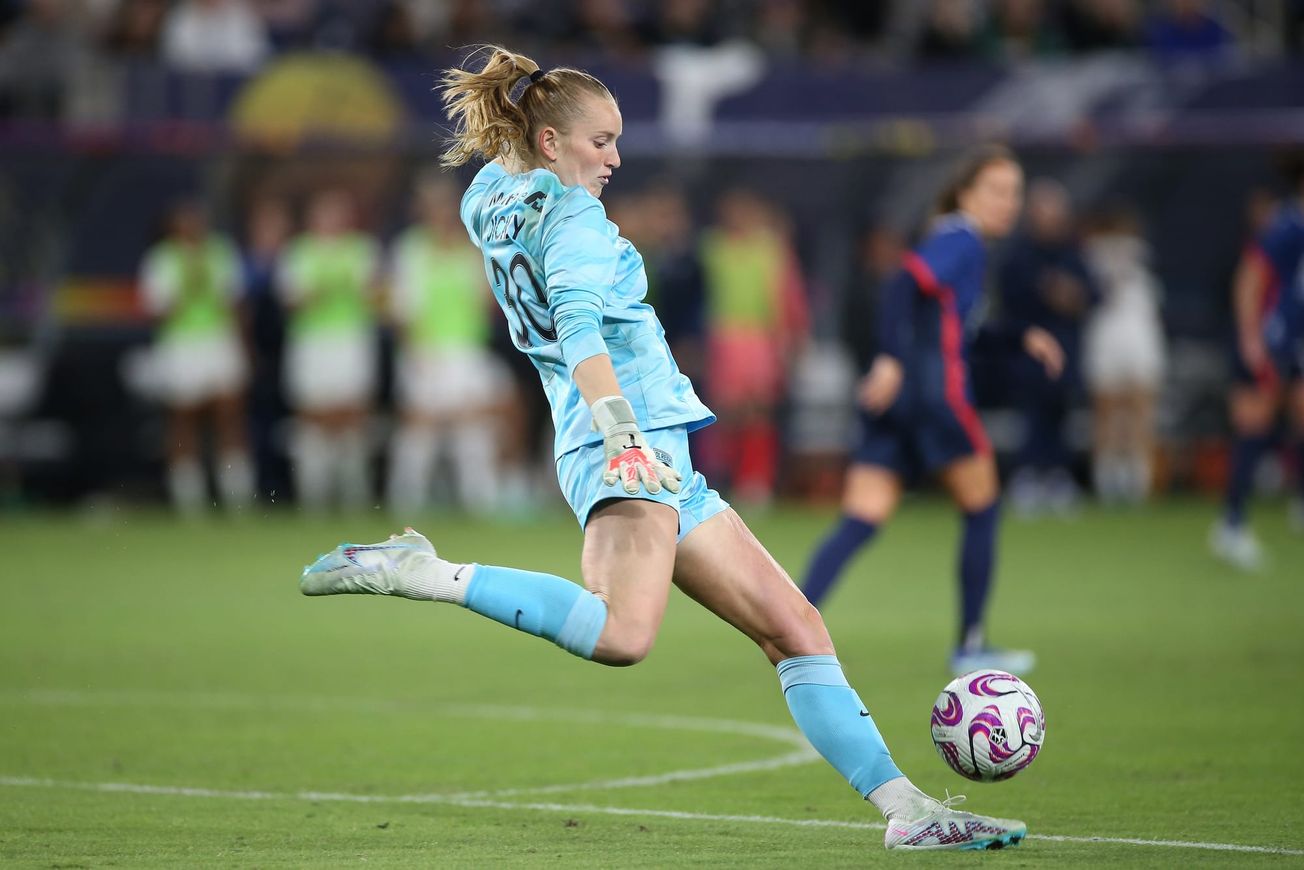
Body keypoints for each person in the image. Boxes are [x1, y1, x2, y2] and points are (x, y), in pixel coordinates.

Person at [296, 46, 1028, 852]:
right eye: (601, 141)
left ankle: (910, 814)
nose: (614, 159)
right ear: (550, 143)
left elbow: (520, 189)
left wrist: (538, 104)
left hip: (644, 443)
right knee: (624, 635)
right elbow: (579, 330)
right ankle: (428, 572)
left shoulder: (487, 196)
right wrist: (622, 434)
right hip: (625, 438)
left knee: (796, 628)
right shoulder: (572, 218)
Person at [800, 146, 1064, 677]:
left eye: (1014, 192)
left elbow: (956, 328)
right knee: (983, 508)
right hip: (936, 397)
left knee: (861, 517)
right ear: (965, 193)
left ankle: (786, 625)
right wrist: (893, 360)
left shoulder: (958, 243)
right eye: (996, 190)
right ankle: (970, 645)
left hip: (900, 402)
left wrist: (1019, 337)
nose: (1007, 203)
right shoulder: (960, 239)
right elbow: (904, 283)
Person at [385, 173, 519, 516]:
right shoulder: (410, 249)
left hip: (467, 351)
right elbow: (400, 310)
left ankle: (482, 503)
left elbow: (487, 303)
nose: (439, 214)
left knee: (473, 429)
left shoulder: (471, 251)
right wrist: (414, 356)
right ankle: (406, 503)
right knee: (421, 429)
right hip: (424, 352)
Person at [1210, 162, 1304, 569]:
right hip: (1269, 339)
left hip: (1294, 339)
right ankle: (1231, 524)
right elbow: (1249, 278)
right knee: (1253, 425)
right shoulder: (1287, 225)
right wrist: (1251, 339)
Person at [139, 199, 254, 515]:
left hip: (218, 341)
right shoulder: (161, 260)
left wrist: (243, 346)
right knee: (183, 418)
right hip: (181, 344)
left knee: (228, 416)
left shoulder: (220, 253)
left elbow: (235, 302)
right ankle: (189, 500)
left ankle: (237, 497)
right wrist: (188, 286)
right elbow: (157, 311)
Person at [278, 188, 380, 511]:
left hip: (350, 339)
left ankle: (354, 496)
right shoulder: (299, 252)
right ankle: (314, 499)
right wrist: (323, 290)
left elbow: (377, 295)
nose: (331, 220)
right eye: (324, 213)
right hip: (312, 343)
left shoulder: (363, 249)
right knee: (313, 417)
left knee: (351, 416)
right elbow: (291, 300)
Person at [999, 178, 1096, 516]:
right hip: (1029, 350)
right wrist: (1046, 291)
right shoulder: (1019, 255)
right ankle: (1027, 477)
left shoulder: (1073, 252)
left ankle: (1057, 477)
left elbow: (1093, 294)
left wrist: (1073, 295)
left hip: (1066, 349)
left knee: (1060, 414)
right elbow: (1009, 298)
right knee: (1031, 416)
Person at [1081, 204, 1166, 505]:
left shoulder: (1143, 259)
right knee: (1107, 410)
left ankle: (1138, 480)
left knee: (1140, 408)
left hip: (1139, 336)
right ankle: (1108, 479)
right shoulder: (1091, 257)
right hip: (1106, 335)